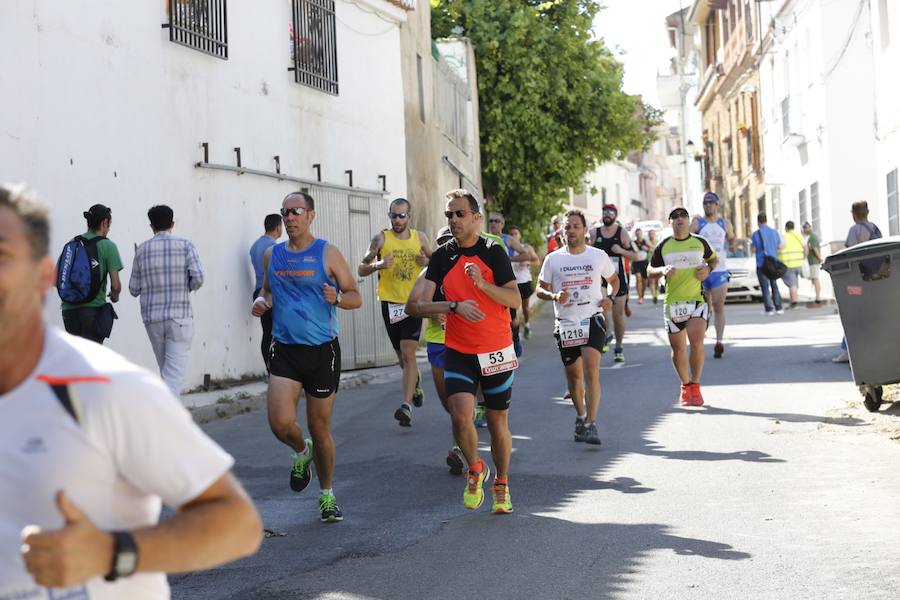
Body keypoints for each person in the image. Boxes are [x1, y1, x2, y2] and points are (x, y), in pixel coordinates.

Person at [1, 183, 262, 599]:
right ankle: (175, 414)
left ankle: (171, 431)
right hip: (169, 313)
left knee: (163, 376)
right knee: (173, 372)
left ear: (43, 273)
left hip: (135, 318)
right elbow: (165, 281)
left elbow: (238, 524)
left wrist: (111, 553)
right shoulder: (148, 246)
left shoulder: (107, 390)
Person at [407, 189, 521, 514]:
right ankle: (475, 468)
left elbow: (513, 300)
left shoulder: (493, 251)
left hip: (495, 349)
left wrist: (483, 286)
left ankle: (502, 482)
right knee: (460, 417)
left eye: (459, 214)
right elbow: (416, 306)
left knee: (498, 422)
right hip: (458, 349)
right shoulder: (443, 256)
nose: (453, 220)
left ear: (475, 217)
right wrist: (453, 306)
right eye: (449, 215)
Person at [252, 191, 362, 523]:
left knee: (319, 426)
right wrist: (262, 301)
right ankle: (302, 452)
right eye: (284, 212)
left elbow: (355, 296)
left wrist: (338, 297)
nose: (289, 217)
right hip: (284, 348)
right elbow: (268, 291)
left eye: (296, 211)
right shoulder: (273, 255)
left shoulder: (326, 253)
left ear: (311, 215)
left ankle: (327, 494)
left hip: (321, 351)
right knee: (280, 423)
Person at [536, 209, 617, 445]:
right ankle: (581, 417)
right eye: (567, 226)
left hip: (592, 317)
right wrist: (554, 296)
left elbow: (614, 281)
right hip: (566, 322)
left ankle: (591, 423)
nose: (570, 230)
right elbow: (539, 289)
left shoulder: (597, 256)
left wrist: (609, 297)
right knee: (574, 377)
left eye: (575, 226)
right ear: (562, 231)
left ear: (584, 230)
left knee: (592, 370)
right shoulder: (553, 259)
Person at [358, 198, 431, 427]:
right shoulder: (381, 238)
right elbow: (362, 267)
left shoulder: (420, 238)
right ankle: (415, 383)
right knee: (402, 359)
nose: (398, 220)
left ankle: (406, 406)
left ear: (410, 216)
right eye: (393, 216)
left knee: (409, 354)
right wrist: (378, 265)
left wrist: (426, 260)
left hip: (413, 303)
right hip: (390, 303)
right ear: (389, 216)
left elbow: (439, 263)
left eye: (402, 216)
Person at [405, 225, 466, 474]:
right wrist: (435, 309)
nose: (447, 245)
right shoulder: (429, 273)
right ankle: (462, 440)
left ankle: (459, 449)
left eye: (450, 240)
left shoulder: (473, 269)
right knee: (449, 405)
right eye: (442, 242)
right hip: (439, 343)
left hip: (468, 343)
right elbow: (411, 306)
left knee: (461, 404)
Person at [129, 205, 204, 396]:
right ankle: (166, 420)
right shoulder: (186, 245)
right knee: (173, 376)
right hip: (180, 317)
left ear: (151, 226)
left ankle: (164, 418)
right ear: (172, 223)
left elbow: (133, 289)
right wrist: (186, 287)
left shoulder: (142, 250)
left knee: (167, 373)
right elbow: (198, 278)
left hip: (152, 319)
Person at [648, 206, 718, 406]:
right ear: (670, 222)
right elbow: (649, 270)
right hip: (673, 303)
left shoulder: (699, 242)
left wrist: (708, 270)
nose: (679, 219)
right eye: (675, 216)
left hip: (696, 301)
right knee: (678, 349)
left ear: (688, 221)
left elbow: (714, 259)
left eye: (683, 216)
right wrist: (662, 270)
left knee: (696, 344)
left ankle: (695, 386)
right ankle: (685, 385)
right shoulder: (663, 246)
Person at [59, 204, 124, 344]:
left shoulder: (72, 243)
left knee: (77, 359)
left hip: (68, 313)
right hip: (93, 313)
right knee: (93, 360)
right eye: (109, 224)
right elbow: (116, 286)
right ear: (104, 222)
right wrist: (115, 296)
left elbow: (56, 279)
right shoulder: (108, 246)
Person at [833, 201, 883, 363]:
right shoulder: (875, 228)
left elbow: (850, 255)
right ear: (867, 212)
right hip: (878, 279)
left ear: (853, 215)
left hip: (859, 280)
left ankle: (847, 351)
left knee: (852, 314)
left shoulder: (855, 230)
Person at [689, 192, 735, 358]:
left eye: (711, 203)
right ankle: (704, 325)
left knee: (718, 306)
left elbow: (731, 239)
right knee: (703, 308)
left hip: (719, 271)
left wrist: (731, 243)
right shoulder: (697, 223)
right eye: (705, 203)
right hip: (700, 271)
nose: (708, 205)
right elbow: (686, 240)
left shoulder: (725, 223)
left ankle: (719, 342)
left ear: (717, 205)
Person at [590, 204, 637, 363]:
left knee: (618, 315)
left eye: (610, 212)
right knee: (602, 308)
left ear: (615, 215)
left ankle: (618, 347)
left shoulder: (621, 233)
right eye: (604, 212)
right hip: (600, 278)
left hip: (618, 278)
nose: (607, 215)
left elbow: (635, 256)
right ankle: (607, 334)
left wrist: (621, 251)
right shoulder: (594, 232)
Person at [488, 211, 534, 357]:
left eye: (497, 221)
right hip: (490, 285)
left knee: (511, 316)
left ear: (502, 224)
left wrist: (508, 260)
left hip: (507, 284)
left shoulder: (508, 240)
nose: (494, 224)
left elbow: (526, 255)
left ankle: (514, 338)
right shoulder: (483, 238)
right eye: (491, 221)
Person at [248, 213, 282, 371]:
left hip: (258, 292)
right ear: (278, 227)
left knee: (266, 332)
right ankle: (277, 370)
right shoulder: (274, 248)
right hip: (272, 293)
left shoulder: (255, 246)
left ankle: (270, 370)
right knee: (278, 333)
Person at [507, 225, 539, 339]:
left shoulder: (526, 248)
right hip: (512, 283)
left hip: (525, 281)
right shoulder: (506, 248)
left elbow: (537, 261)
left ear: (520, 235)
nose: (514, 236)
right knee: (513, 310)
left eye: (516, 233)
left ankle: (526, 324)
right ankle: (515, 334)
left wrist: (527, 262)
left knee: (525, 307)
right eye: (511, 234)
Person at [750, 213, 785, 316]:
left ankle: (769, 309)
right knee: (774, 285)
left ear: (758, 222)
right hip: (773, 263)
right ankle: (779, 308)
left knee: (765, 287)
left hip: (761, 264)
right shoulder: (774, 232)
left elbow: (753, 249)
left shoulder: (756, 234)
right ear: (766, 220)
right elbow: (779, 246)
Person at [778, 221, 806, 309]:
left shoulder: (784, 236)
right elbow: (806, 248)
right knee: (794, 283)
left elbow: (780, 247)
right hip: (799, 263)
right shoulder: (799, 236)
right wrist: (803, 258)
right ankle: (793, 301)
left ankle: (794, 303)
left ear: (786, 228)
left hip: (789, 264)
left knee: (792, 284)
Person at [802, 221, 823, 305]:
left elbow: (815, 249)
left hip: (814, 261)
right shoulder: (810, 237)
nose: (805, 229)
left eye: (806, 227)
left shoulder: (812, 238)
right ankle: (816, 296)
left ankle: (818, 297)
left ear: (810, 227)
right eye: (804, 228)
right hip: (812, 262)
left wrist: (819, 258)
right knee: (814, 279)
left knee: (815, 278)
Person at [630, 228, 651, 304]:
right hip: (636, 263)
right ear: (636, 234)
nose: (639, 235)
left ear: (642, 234)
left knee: (644, 281)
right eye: (637, 234)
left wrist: (647, 248)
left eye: (640, 233)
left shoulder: (645, 241)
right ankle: (639, 297)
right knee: (638, 278)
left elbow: (652, 248)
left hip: (644, 262)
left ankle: (642, 295)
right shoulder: (633, 243)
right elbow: (629, 252)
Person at [647, 229, 661, 303]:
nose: (651, 235)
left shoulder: (658, 242)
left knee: (656, 281)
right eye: (650, 234)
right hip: (649, 264)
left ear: (654, 234)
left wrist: (651, 247)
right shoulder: (646, 242)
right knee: (651, 281)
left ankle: (656, 294)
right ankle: (653, 296)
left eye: (652, 233)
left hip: (657, 264)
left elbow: (657, 250)